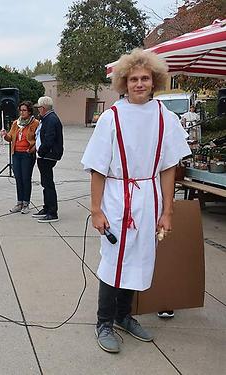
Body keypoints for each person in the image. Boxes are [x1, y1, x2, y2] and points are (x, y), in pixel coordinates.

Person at [81, 48, 191, 354]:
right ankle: (104, 322)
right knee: (114, 261)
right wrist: (96, 209)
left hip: (149, 198)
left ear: (154, 80)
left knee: (140, 258)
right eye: (133, 79)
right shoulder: (111, 118)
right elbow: (98, 167)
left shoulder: (164, 117)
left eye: (144, 78)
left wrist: (167, 211)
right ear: (124, 83)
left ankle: (124, 315)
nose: (139, 84)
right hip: (118, 198)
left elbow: (168, 167)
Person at [0, 101, 39, 214]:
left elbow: (38, 139)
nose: (22, 112)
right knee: (18, 179)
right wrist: (4, 135)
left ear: (30, 111)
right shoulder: (16, 123)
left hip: (27, 154)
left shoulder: (35, 123)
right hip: (16, 154)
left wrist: (31, 149)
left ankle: (26, 203)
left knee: (26, 179)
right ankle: (19, 202)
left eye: (24, 110)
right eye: (20, 110)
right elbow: (10, 138)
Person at [31, 96, 64, 223]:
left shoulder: (51, 119)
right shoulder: (47, 118)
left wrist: (41, 151)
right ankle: (46, 207)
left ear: (43, 108)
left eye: (39, 107)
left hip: (47, 155)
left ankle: (52, 212)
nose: (38, 110)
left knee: (48, 183)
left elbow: (49, 139)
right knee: (45, 183)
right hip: (45, 155)